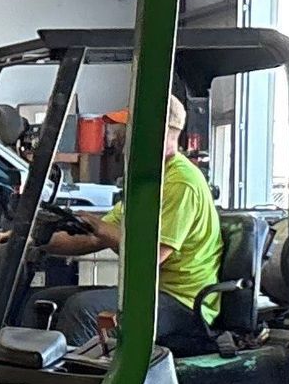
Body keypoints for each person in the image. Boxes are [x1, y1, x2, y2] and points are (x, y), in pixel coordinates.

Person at [29, 95, 222, 349]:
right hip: (150, 292)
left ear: (157, 131)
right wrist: (33, 241)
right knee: (44, 300)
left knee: (82, 309)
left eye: (131, 128)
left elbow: (150, 256)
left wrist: (99, 226)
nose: (122, 136)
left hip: (182, 302)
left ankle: (72, 374)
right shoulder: (148, 182)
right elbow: (92, 238)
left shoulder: (181, 182)